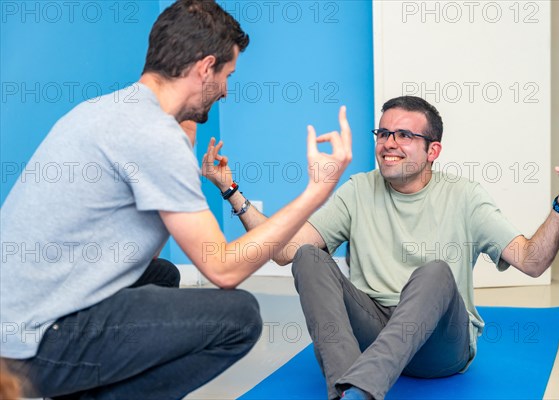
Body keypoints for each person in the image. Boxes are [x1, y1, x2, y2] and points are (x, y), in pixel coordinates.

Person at [0, 0, 352, 398]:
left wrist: (184, 147)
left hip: (16, 320)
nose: (226, 90)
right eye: (227, 75)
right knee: (239, 319)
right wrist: (317, 191)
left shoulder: (107, 111)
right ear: (205, 68)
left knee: (163, 276)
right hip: (31, 348)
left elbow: (134, 252)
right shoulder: (151, 134)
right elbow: (223, 269)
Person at [204, 95, 559, 400]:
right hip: (374, 329)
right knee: (309, 256)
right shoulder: (359, 189)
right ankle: (347, 390)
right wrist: (232, 192)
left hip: (439, 348)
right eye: (384, 133)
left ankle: (361, 387)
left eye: (405, 135)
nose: (390, 143)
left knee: (436, 272)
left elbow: (531, 261)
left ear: (433, 151)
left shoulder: (465, 196)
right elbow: (284, 251)